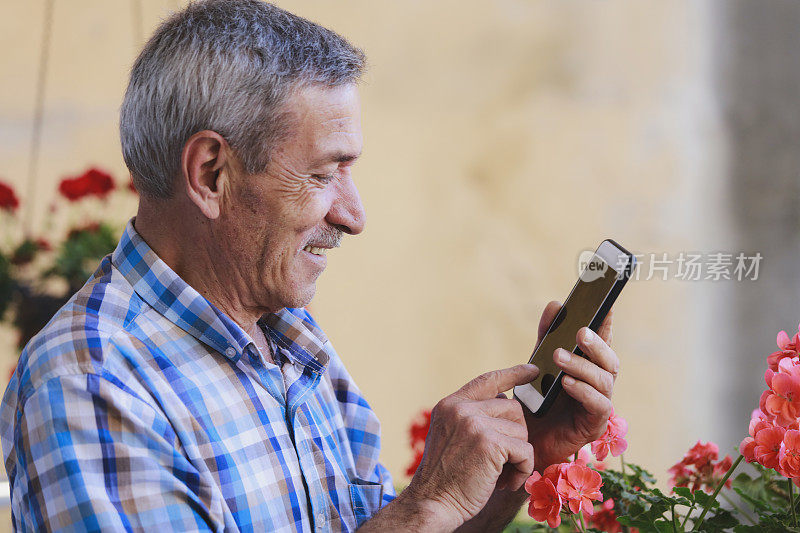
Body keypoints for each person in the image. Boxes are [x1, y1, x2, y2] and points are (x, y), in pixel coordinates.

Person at [0, 1, 620, 531]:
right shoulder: (90, 383)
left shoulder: (287, 336)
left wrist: (515, 467)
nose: (354, 216)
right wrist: (430, 503)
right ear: (211, 174)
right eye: (323, 174)